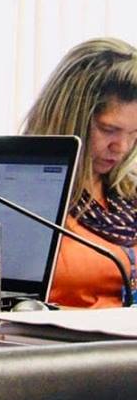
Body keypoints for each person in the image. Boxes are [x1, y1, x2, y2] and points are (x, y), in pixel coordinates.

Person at [22, 37, 137, 307]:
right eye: (108, 130)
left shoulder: (129, 193)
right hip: (60, 333)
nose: (122, 147)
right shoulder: (23, 195)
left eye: (134, 133)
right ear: (69, 119)